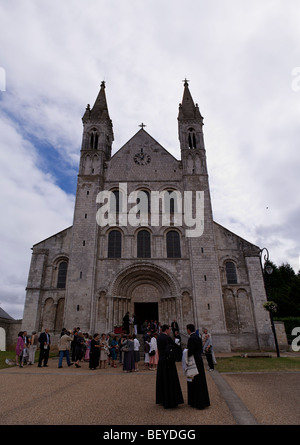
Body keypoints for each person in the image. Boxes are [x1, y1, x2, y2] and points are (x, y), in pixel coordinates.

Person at [156, 324, 184, 409]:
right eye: (169, 330)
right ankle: (170, 400)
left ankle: (162, 398)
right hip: (168, 361)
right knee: (170, 380)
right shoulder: (167, 338)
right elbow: (174, 347)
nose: (170, 331)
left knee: (163, 379)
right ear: (167, 330)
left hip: (161, 360)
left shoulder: (159, 337)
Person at [186, 324, 210, 409]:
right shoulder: (198, 337)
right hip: (199, 360)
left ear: (189, 330)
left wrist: (185, 354)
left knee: (194, 379)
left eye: (187, 329)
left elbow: (190, 351)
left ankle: (196, 401)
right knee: (201, 380)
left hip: (194, 361)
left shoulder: (191, 338)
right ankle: (204, 400)